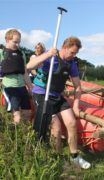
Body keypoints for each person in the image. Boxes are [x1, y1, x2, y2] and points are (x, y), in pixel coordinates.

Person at [27, 36, 91, 169]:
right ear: (64, 47)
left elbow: (78, 87)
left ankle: (74, 157)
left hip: (57, 96)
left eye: (76, 53)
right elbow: (29, 66)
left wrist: (76, 105)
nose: (74, 56)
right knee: (56, 126)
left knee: (72, 123)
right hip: (42, 94)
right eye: (72, 52)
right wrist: (47, 54)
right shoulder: (51, 57)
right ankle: (58, 157)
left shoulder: (72, 63)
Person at [0, 29, 33, 124]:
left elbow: (25, 72)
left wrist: (30, 87)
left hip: (22, 87)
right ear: (7, 40)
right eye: (15, 42)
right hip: (9, 88)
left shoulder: (21, 53)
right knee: (17, 117)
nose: (17, 44)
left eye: (19, 42)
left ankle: (25, 137)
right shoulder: (2, 53)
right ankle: (14, 137)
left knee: (27, 114)